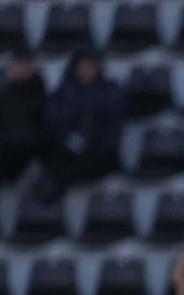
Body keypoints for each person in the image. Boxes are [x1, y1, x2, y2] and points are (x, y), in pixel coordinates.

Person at [40, 44, 124, 202]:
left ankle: (52, 188)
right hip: (67, 150)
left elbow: (111, 125)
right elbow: (52, 119)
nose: (88, 69)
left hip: (99, 153)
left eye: (92, 65)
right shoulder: (64, 90)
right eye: (84, 64)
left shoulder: (110, 90)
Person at [1, 48, 47, 184]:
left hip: (25, 153)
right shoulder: (4, 94)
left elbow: (41, 128)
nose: (20, 68)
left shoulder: (38, 93)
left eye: (24, 64)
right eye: (17, 63)